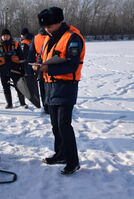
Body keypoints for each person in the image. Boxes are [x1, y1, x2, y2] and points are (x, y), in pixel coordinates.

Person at [33, 7, 85, 175]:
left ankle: (73, 161)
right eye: (45, 27)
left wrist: (48, 69)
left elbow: (72, 64)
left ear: (59, 22)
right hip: (50, 87)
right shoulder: (49, 38)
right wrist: (38, 64)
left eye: (50, 26)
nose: (46, 29)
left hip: (66, 86)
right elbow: (43, 57)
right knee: (55, 125)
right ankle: (60, 154)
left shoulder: (73, 38)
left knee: (64, 125)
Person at [0, 29, 27, 109]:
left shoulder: (16, 45)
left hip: (16, 70)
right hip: (3, 71)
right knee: (5, 87)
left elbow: (21, 58)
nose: (5, 37)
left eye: (7, 35)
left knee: (19, 86)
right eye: (4, 36)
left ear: (10, 36)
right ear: (1, 37)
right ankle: (9, 103)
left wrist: (23, 69)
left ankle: (23, 103)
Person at [28, 27, 49, 113]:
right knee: (52, 87)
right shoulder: (54, 35)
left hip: (39, 66)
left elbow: (31, 54)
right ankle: (52, 107)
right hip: (53, 65)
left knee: (42, 87)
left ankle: (46, 107)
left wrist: (30, 70)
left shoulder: (36, 38)